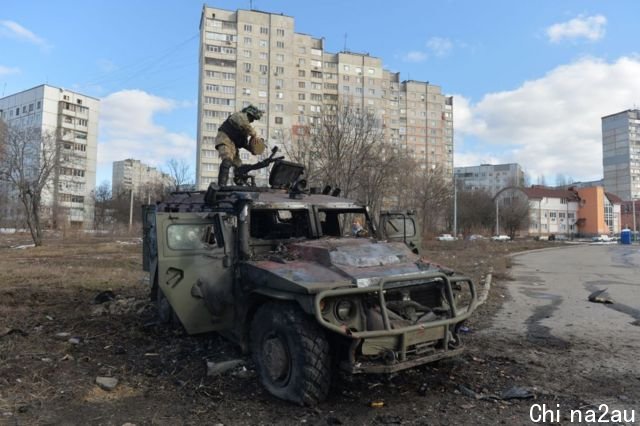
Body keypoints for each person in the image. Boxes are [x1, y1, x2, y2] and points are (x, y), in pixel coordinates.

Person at [215, 105, 266, 185]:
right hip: (224, 138)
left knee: (239, 166)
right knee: (227, 160)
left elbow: (243, 143)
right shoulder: (239, 115)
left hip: (233, 145)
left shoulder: (244, 130)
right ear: (249, 114)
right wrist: (254, 134)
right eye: (252, 118)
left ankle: (240, 182)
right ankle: (221, 185)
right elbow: (245, 125)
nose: (252, 121)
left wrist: (252, 149)